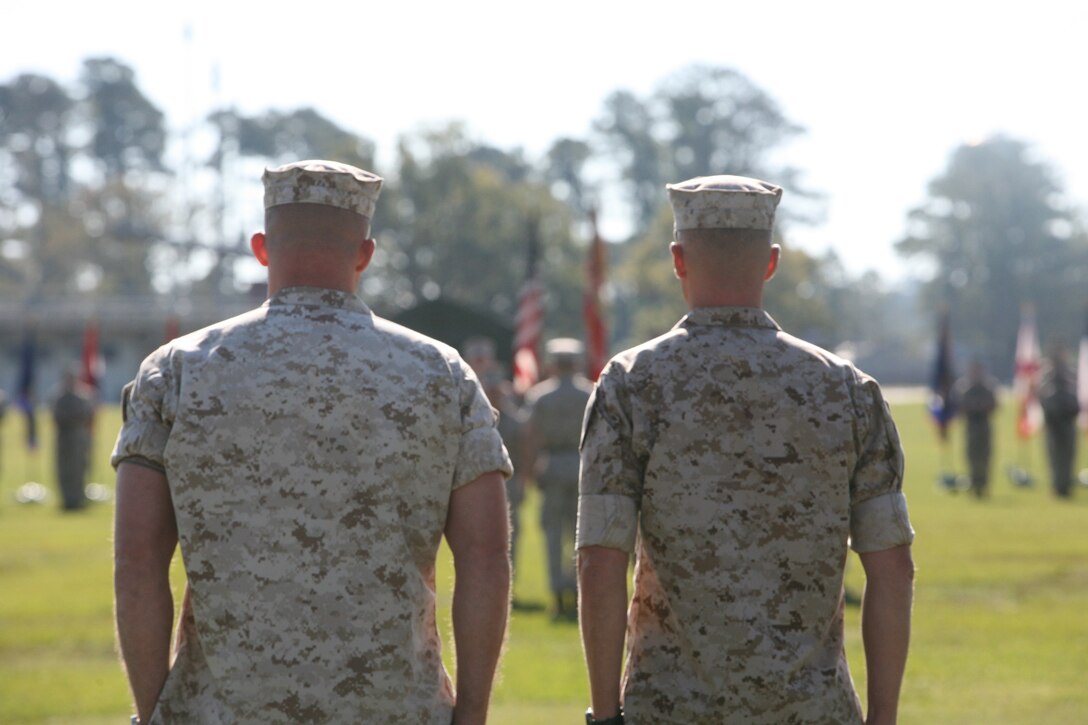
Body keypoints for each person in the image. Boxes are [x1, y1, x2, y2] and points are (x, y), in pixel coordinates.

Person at [112, 160, 512, 725]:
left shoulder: (177, 370)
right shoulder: (440, 373)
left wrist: (155, 713)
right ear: (366, 254)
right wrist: (471, 716)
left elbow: (137, 560)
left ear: (261, 248)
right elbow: (485, 558)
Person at [577, 175, 915, 725]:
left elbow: (600, 558)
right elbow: (893, 566)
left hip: (669, 708)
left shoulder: (632, 383)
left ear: (678, 259)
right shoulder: (847, 389)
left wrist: (606, 713)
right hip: (813, 710)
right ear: (771, 262)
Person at [524, 337, 593, 620]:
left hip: (552, 464)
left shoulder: (541, 396)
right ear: (576, 363)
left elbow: (529, 436)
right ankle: (577, 591)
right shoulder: (589, 393)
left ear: (553, 364)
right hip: (581, 465)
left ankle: (557, 592)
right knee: (579, 534)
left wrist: (529, 472)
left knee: (553, 533)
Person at [1038, 342, 1080, 498]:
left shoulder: (1072, 374)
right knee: (1055, 456)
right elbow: (1042, 396)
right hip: (1053, 423)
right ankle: (1057, 486)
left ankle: (1066, 486)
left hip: (1068, 420)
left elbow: (1078, 395)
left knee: (1068, 455)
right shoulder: (1046, 374)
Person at [952, 360, 999, 498]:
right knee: (971, 456)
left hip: (984, 425)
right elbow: (959, 406)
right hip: (971, 425)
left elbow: (994, 405)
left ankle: (983, 484)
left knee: (985, 456)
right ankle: (973, 483)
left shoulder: (989, 386)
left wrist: (979, 407)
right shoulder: (963, 387)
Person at [52, 368, 95, 511]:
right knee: (64, 468)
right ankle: (66, 499)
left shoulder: (82, 396)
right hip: (63, 436)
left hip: (77, 437)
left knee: (78, 468)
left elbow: (86, 415)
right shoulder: (59, 397)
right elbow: (56, 416)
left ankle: (77, 499)